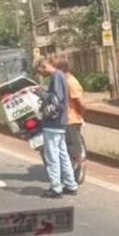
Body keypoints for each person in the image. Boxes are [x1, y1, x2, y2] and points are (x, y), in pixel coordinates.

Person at [34, 56, 78, 198]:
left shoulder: (56, 76)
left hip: (53, 122)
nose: (41, 74)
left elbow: (55, 98)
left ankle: (56, 187)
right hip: (61, 122)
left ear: (44, 66)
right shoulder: (61, 76)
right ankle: (70, 184)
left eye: (39, 71)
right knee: (62, 154)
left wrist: (41, 93)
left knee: (52, 155)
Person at [55, 57, 86, 178]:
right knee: (67, 148)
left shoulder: (71, 82)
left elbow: (81, 103)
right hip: (63, 120)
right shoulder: (61, 80)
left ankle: (76, 174)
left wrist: (79, 114)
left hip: (71, 120)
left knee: (73, 149)